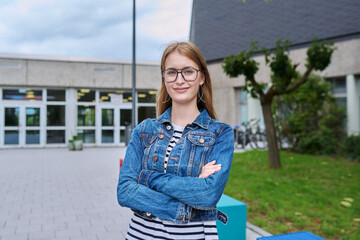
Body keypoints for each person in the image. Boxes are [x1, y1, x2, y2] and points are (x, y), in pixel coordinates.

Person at [117, 41, 234, 240]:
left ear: (202, 77)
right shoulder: (144, 130)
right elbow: (125, 192)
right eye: (171, 72)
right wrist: (189, 192)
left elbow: (207, 195)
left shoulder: (220, 133)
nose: (179, 80)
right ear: (164, 78)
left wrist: (147, 178)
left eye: (188, 71)